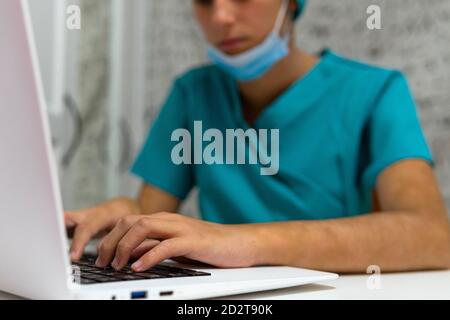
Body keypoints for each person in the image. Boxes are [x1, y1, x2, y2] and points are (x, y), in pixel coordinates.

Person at [65, 0, 450, 273]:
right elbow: (150, 207)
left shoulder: (375, 92)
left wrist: (240, 242)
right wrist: (122, 216)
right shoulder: (193, 93)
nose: (221, 16)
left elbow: (431, 235)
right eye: (203, 2)